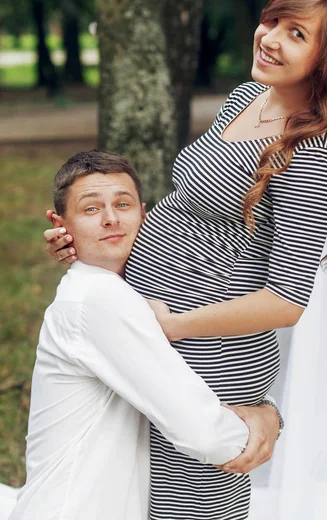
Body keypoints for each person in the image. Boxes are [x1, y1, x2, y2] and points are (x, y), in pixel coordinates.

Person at [45, 0, 327, 520]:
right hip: (146, 325)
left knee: (188, 510)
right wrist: (93, 246)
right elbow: (194, 217)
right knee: (118, 489)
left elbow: (287, 301)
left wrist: (167, 324)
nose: (269, 38)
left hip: (207, 355)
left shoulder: (316, 152)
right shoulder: (249, 95)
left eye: (296, 34)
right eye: (273, 20)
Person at [13, 151, 280, 520]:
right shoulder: (98, 298)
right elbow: (207, 435)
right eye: (91, 209)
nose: (110, 219)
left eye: (122, 204)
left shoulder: (124, 287)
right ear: (61, 224)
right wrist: (267, 420)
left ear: (145, 214)